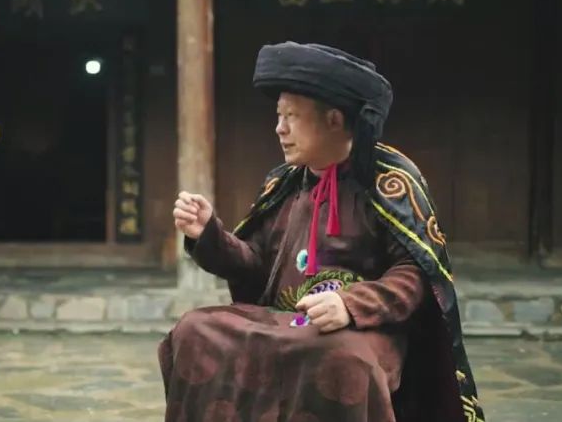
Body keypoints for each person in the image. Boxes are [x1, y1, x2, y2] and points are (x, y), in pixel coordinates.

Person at [160, 42, 485, 422]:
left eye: (291, 116)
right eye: (278, 116)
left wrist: (351, 304)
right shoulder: (285, 183)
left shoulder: (390, 182)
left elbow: (416, 276)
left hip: (362, 330)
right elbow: (255, 264)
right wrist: (209, 235)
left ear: (333, 119)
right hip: (286, 324)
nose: (279, 128)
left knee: (343, 359)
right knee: (196, 330)